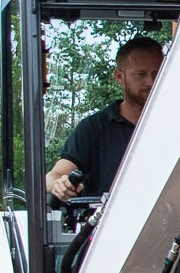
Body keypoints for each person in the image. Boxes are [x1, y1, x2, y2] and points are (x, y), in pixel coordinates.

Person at [47, 35, 164, 200]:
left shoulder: (178, 125)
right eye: (140, 74)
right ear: (119, 77)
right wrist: (61, 185)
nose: (150, 82)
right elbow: (53, 176)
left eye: (156, 73)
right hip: (105, 223)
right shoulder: (93, 128)